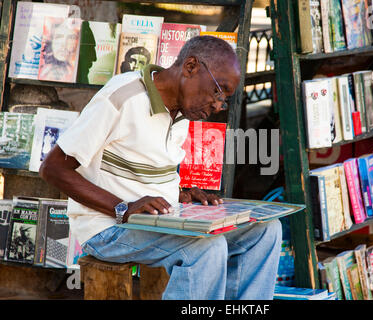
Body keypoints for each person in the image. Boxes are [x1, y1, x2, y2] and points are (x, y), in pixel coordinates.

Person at [39, 35, 282, 300]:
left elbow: (141, 170)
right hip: (107, 228)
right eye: (217, 90)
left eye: (224, 98)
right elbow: (52, 169)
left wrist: (181, 194)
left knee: (265, 231)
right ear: (191, 66)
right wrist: (123, 208)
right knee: (206, 249)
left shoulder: (183, 112)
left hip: (158, 222)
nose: (217, 104)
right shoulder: (123, 96)